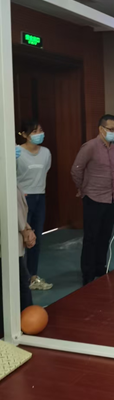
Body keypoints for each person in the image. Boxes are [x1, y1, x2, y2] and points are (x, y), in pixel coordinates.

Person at [71, 115, 114, 286]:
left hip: (111, 197)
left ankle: (100, 267)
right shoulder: (90, 146)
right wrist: (83, 188)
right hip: (93, 197)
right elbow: (76, 169)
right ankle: (88, 272)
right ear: (101, 129)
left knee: (105, 235)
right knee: (91, 237)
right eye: (111, 129)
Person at [0, 152, 35, 338]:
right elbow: (9, 209)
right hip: (8, 242)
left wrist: (26, 228)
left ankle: (22, 319)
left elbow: (18, 209)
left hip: (15, 238)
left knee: (20, 280)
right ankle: (22, 321)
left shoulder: (9, 176)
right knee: (19, 282)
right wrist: (25, 230)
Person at [16, 119, 53, 291]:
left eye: (40, 130)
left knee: (36, 238)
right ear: (24, 135)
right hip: (23, 199)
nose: (39, 134)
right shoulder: (17, 152)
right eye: (34, 131)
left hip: (40, 196)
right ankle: (21, 278)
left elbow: (45, 171)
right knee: (22, 239)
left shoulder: (46, 152)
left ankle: (33, 276)